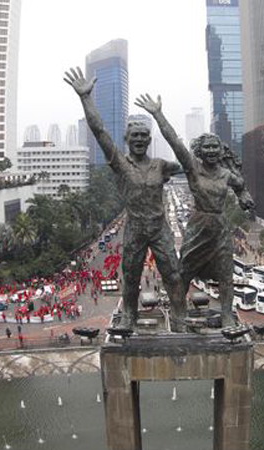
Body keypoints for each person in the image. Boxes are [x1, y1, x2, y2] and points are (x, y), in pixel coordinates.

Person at [64, 67, 186, 331]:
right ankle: (129, 315)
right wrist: (85, 97)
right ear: (127, 140)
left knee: (173, 275)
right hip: (134, 228)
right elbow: (99, 131)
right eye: (135, 136)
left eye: (144, 136)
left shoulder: (161, 165)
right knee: (130, 276)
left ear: (149, 140)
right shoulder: (120, 163)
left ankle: (179, 317)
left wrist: (159, 115)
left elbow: (186, 159)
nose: (140, 139)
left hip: (159, 227)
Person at [136, 94, 255, 328]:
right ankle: (179, 315)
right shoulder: (192, 168)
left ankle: (228, 315)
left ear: (221, 151)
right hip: (198, 226)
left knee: (226, 275)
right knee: (183, 273)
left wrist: (245, 198)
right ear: (200, 151)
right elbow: (175, 143)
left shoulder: (226, 175)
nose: (211, 150)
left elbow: (242, 188)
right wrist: (158, 114)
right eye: (207, 147)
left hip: (220, 228)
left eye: (215, 147)